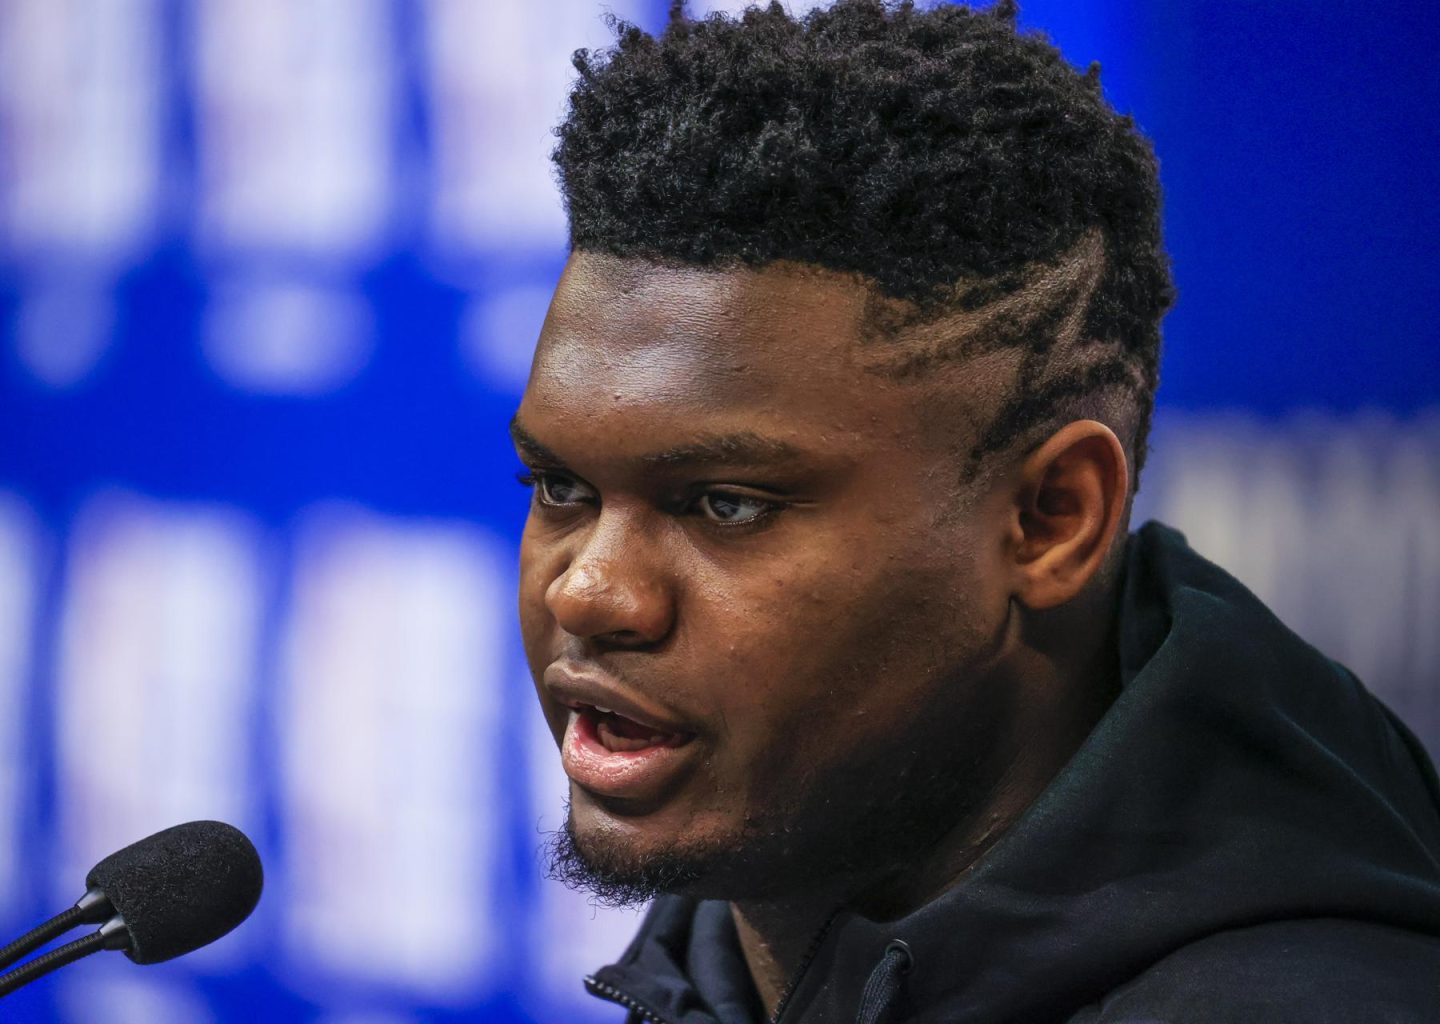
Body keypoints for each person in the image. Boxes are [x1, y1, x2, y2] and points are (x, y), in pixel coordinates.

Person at [509, 2, 1440, 1021]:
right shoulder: (738, 935)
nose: (592, 591)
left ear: (1053, 519)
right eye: (562, 488)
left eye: (727, 504)